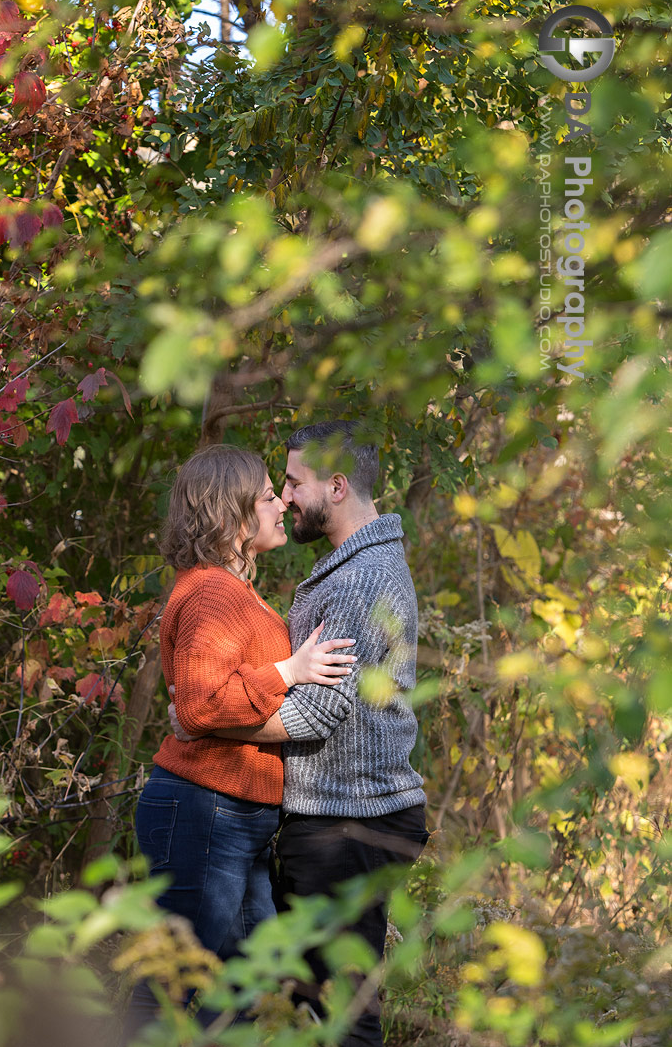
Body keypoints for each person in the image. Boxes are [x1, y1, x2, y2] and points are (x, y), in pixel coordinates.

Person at [170, 421, 430, 1047]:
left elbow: (317, 713)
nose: (284, 497)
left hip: (350, 823)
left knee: (337, 1012)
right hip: (340, 818)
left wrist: (201, 725)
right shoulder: (349, 568)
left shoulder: (360, 581)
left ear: (337, 487)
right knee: (300, 1000)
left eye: (293, 482)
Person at [126, 443, 357, 1033]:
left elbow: (198, 702)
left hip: (233, 819)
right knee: (171, 988)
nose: (282, 504)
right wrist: (290, 671)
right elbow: (203, 705)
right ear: (230, 513)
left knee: (249, 992)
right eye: (266, 496)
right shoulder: (212, 593)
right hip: (203, 812)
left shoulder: (229, 590)